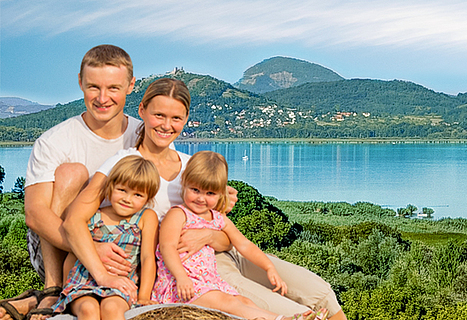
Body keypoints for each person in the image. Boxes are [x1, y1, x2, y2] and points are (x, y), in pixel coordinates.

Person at [66, 78, 345, 320]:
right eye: (159, 115)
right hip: (194, 267)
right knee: (284, 309)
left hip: (222, 251)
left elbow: (224, 231)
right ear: (142, 111)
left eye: (176, 118)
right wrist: (95, 250)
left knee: (322, 294)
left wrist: (208, 236)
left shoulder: (195, 167)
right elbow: (75, 221)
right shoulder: (126, 165)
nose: (166, 125)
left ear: (186, 119)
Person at [4, 44, 143, 320]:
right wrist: (90, 250)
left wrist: (219, 189)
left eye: (113, 88)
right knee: (72, 173)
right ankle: (53, 288)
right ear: (80, 82)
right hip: (63, 247)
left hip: (124, 248)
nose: (103, 98)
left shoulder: (143, 134)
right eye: (93, 87)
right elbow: (34, 214)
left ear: (131, 85)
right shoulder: (55, 140)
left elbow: (176, 168)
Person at [152, 151, 327, 320]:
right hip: (180, 284)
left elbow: (244, 245)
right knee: (228, 302)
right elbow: (167, 247)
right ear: (184, 184)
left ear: (221, 193)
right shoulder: (178, 214)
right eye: (195, 190)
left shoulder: (218, 219)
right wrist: (181, 277)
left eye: (210, 193)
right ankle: (283, 319)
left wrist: (269, 267)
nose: (201, 198)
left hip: (209, 282)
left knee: (243, 301)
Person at [53, 156, 161, 320]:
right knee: (88, 309)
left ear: (149, 198)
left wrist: (144, 296)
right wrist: (66, 286)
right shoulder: (93, 218)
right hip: (83, 282)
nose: (127, 199)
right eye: (122, 190)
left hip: (121, 285)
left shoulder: (146, 217)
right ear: (110, 187)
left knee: (111, 308)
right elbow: (74, 254)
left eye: (137, 195)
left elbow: (147, 258)